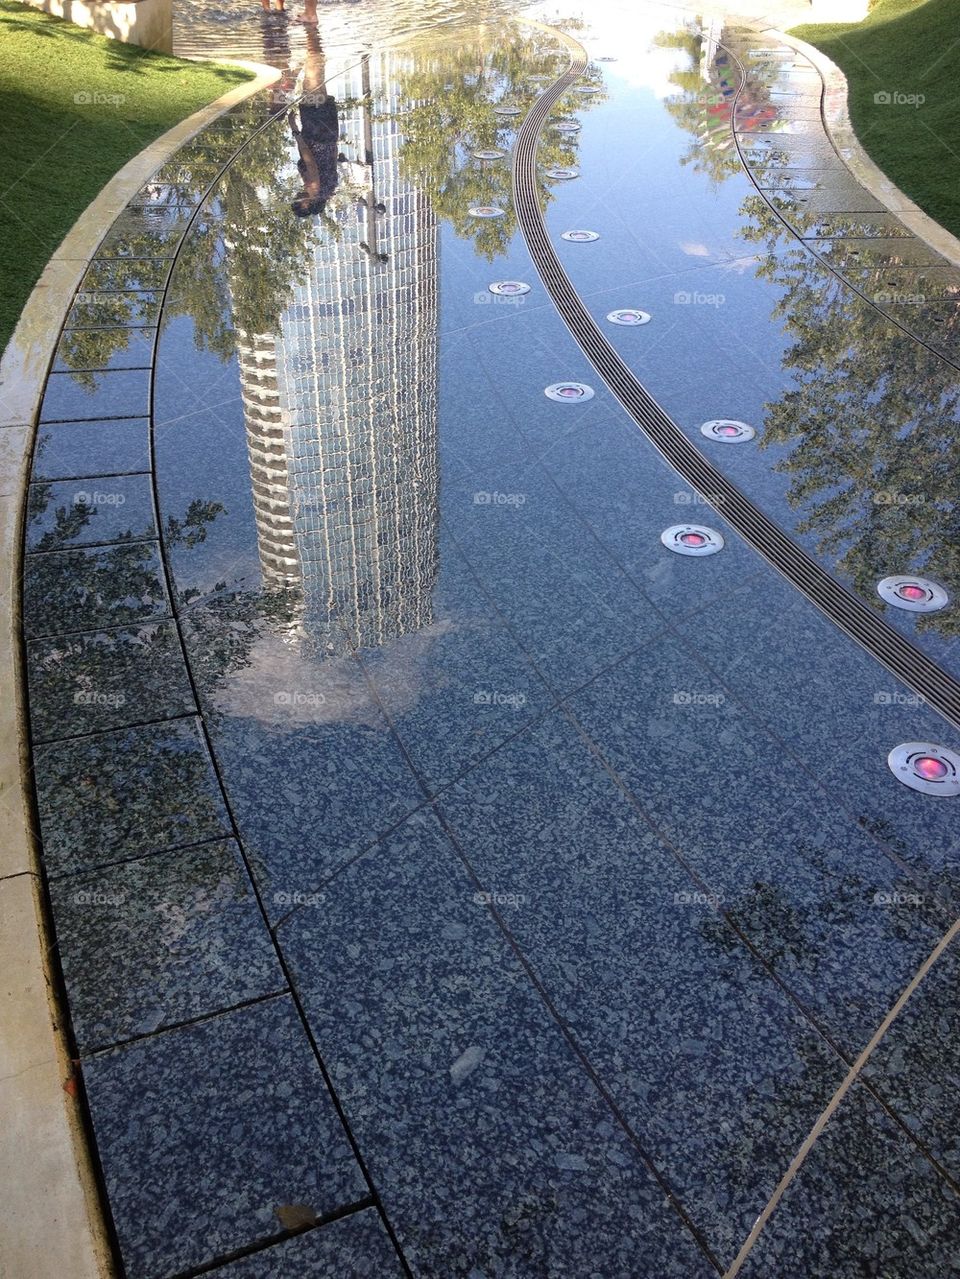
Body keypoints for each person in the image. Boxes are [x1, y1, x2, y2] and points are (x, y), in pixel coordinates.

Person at [289, 23, 340, 218]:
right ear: (307, 205)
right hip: (316, 130)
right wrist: (295, 130)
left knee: (316, 82)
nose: (296, 198)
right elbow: (309, 161)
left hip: (328, 131)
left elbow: (331, 157)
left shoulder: (329, 189)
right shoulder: (315, 188)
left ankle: (313, 36)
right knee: (311, 81)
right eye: (298, 204)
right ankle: (311, 29)